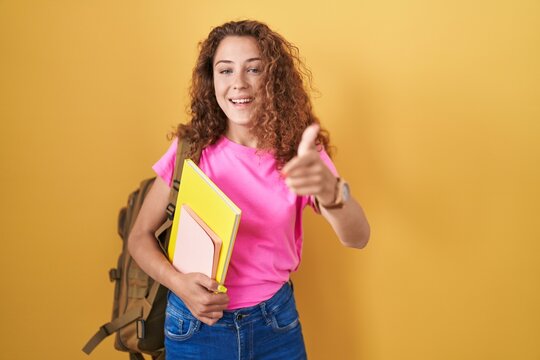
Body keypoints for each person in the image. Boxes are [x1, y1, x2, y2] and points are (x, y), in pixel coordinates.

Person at [128, 20, 370, 360]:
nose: (239, 83)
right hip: (196, 326)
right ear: (212, 80)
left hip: (276, 326)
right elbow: (139, 236)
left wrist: (333, 193)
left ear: (272, 78)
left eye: (253, 69)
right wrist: (178, 283)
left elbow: (357, 237)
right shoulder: (191, 150)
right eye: (225, 71)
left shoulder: (299, 154)